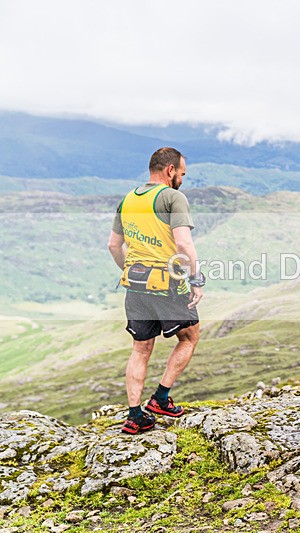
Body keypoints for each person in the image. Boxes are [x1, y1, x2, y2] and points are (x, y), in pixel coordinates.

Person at [107, 147, 205, 435]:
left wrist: (131, 270)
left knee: (141, 348)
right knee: (189, 336)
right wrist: (196, 279)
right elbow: (184, 245)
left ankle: (134, 416)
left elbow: (114, 245)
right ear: (170, 170)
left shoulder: (127, 200)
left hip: (135, 284)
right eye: (182, 174)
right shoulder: (173, 197)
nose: (183, 180)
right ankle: (160, 399)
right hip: (167, 283)